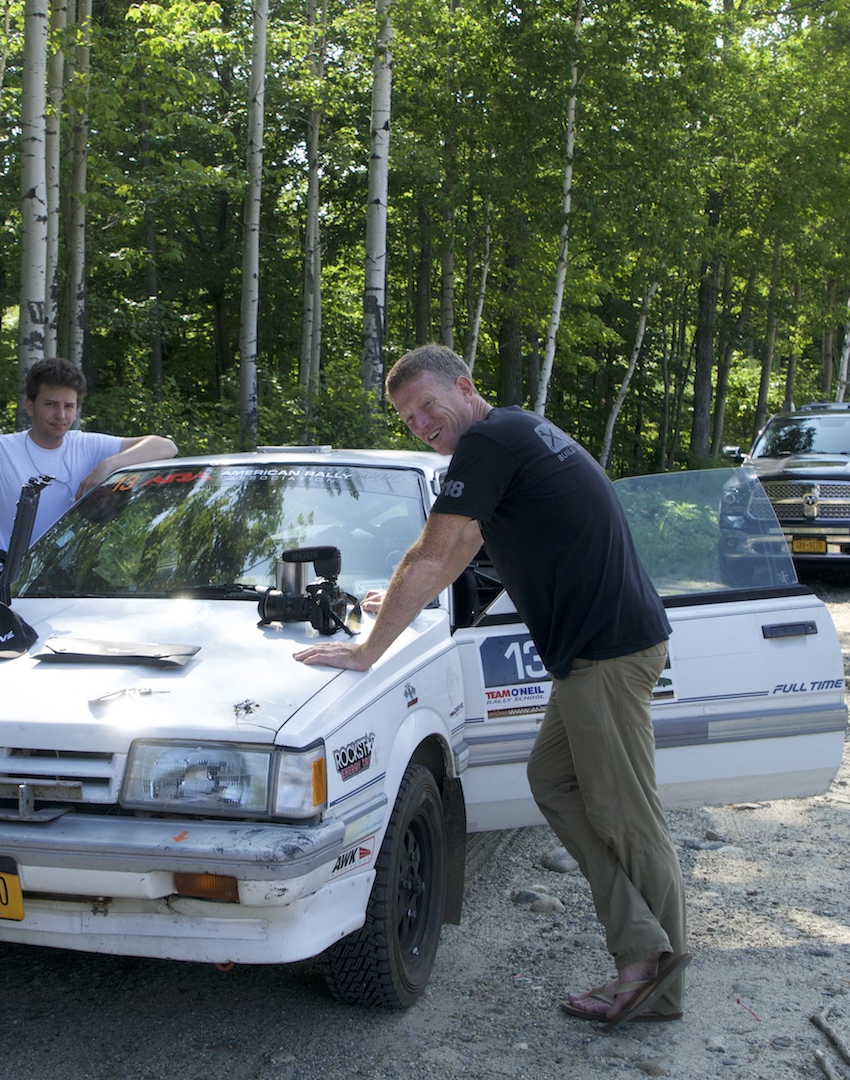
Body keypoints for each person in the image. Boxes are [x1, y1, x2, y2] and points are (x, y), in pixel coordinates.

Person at [294, 344, 687, 1030]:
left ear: (465, 387)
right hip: (593, 652)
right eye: (407, 418)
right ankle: (645, 943)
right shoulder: (513, 432)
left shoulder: (486, 444)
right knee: (553, 782)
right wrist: (396, 601)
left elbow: (430, 552)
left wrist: (367, 650)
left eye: (426, 405)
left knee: (628, 816)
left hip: (607, 652)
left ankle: (656, 980)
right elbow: (463, 548)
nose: (420, 423)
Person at [0, 358, 176, 559]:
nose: (61, 415)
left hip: (73, 587)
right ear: (30, 406)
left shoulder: (88, 445)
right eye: (50, 404)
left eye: (69, 406)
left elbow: (166, 446)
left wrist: (108, 465)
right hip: (13, 586)